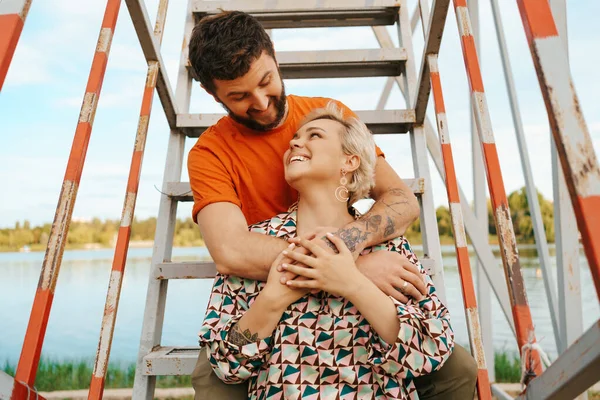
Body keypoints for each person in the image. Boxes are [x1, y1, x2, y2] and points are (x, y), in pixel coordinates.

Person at [187, 10, 477, 400]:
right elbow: (231, 250)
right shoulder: (210, 152)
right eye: (239, 97)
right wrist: (342, 264)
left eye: (266, 81)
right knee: (213, 380)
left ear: (274, 56)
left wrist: (347, 260)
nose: (261, 102)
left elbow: (400, 199)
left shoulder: (326, 115)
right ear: (213, 94)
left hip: (332, 281)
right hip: (263, 286)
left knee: (456, 369)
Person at [198, 103, 454, 399]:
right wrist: (271, 300)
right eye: (295, 137)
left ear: (349, 162)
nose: (294, 142)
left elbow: (433, 349)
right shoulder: (260, 241)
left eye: (315, 136)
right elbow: (225, 364)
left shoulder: (387, 245)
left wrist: (353, 284)